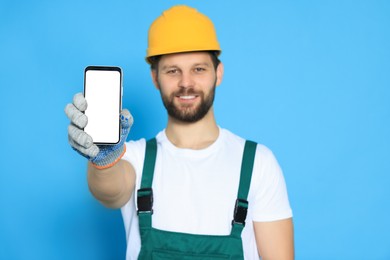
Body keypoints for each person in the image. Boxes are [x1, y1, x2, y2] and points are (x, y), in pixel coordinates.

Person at [65, 5, 294, 260]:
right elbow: (110, 193)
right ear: (155, 77)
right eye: (173, 71)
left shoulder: (257, 163)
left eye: (198, 69)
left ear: (218, 73)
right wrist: (104, 160)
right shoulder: (135, 158)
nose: (186, 82)